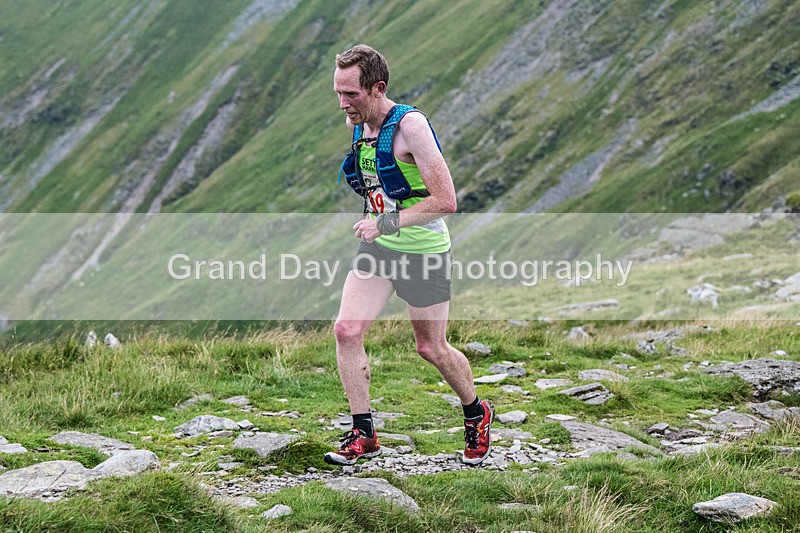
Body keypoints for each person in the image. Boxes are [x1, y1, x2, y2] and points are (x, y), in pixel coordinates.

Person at [324, 44, 494, 467]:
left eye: (352, 95)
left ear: (378, 88)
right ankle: (363, 433)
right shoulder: (359, 122)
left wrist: (385, 222)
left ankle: (476, 411)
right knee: (346, 329)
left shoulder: (411, 127)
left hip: (423, 253)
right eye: (338, 93)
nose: (343, 104)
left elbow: (446, 200)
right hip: (379, 250)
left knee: (431, 348)